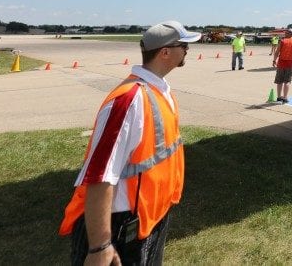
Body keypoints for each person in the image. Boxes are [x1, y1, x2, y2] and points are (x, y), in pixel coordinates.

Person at [59, 20, 200, 265]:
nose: (187, 50)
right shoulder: (130, 100)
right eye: (183, 45)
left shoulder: (160, 90)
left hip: (150, 217)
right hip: (122, 224)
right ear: (165, 52)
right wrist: (100, 245)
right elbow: (100, 174)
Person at [272, 29, 292, 103]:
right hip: (290, 63)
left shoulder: (282, 41)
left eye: (286, 32)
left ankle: (279, 97)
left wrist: (274, 60)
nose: (285, 33)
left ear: (290, 33)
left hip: (281, 63)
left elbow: (277, 52)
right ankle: (285, 97)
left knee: (279, 81)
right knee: (287, 81)